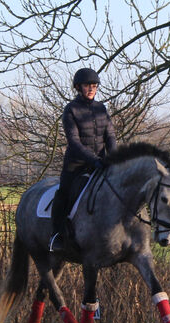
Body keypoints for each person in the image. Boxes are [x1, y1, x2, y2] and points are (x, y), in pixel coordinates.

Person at [49, 68, 117, 252]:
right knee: (63, 193)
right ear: (79, 87)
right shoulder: (71, 110)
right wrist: (94, 159)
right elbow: (75, 142)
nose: (91, 89)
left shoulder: (101, 109)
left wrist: (115, 158)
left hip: (101, 163)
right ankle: (57, 235)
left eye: (94, 86)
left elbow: (110, 136)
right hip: (76, 164)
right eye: (88, 86)